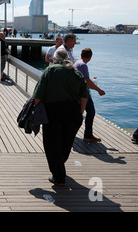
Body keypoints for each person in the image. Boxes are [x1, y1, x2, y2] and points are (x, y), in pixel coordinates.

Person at [33, 49, 88, 186]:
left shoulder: (50, 71)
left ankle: (58, 177)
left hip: (53, 112)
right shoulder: (77, 73)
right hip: (73, 112)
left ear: (54, 59)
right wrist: (79, 113)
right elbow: (84, 96)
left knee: (52, 144)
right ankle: (59, 165)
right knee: (66, 142)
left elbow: (37, 96)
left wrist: (34, 111)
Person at [74, 48, 106, 142]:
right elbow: (87, 81)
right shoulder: (83, 65)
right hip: (83, 94)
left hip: (84, 93)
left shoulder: (77, 63)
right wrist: (99, 90)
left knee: (90, 112)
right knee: (81, 115)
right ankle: (83, 134)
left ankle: (88, 135)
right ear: (90, 57)